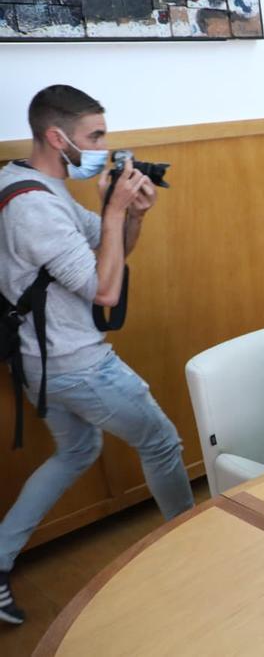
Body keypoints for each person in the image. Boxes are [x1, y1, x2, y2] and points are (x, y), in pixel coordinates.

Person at [0, 85, 194, 625]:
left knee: (75, 451)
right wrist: (111, 213)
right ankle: (199, 542)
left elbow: (111, 254)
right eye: (94, 137)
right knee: (160, 441)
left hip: (43, 361)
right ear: (55, 136)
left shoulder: (40, 185)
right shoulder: (30, 206)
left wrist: (131, 215)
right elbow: (105, 291)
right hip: (74, 363)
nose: (102, 148)